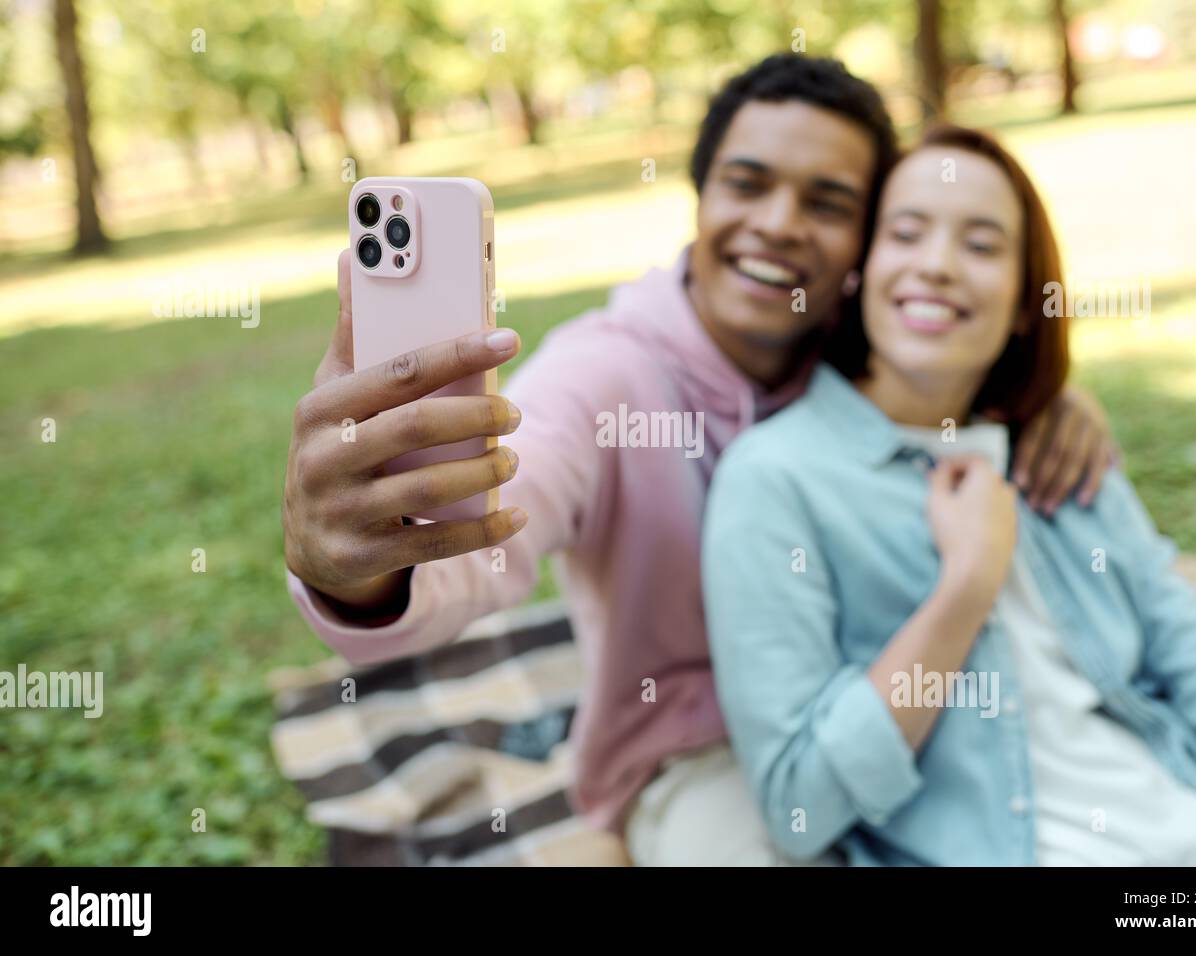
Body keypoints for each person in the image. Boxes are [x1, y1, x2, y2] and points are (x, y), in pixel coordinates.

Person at [281, 55, 1115, 865]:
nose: (780, 222)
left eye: (827, 203)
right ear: (702, 194)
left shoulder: (862, 356)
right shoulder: (602, 377)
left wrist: (1040, 399)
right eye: (748, 184)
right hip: (697, 755)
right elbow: (485, 534)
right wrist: (359, 571)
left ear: (865, 241)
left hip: (879, 711)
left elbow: (963, 370)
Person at [702, 124, 1196, 866]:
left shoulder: (1055, 447)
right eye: (906, 233)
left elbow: (1194, 649)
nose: (938, 266)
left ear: (1024, 300)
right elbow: (799, 805)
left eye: (982, 246)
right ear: (860, 272)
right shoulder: (776, 481)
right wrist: (967, 585)